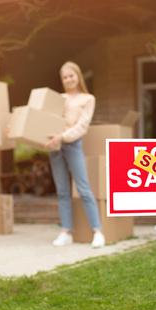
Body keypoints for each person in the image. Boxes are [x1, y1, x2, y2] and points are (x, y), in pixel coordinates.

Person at [45, 61, 105, 248]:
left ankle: (98, 231)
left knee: (83, 187)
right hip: (54, 145)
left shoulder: (88, 99)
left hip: (72, 145)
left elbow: (82, 126)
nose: (68, 80)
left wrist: (62, 136)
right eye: (65, 77)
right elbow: (46, 119)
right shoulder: (58, 98)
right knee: (62, 191)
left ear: (78, 76)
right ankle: (66, 232)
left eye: (71, 75)